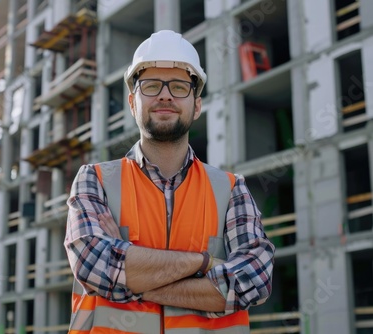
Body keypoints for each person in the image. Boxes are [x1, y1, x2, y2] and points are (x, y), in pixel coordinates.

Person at [64, 30, 275, 333]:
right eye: (151, 86)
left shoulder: (231, 189)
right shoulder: (94, 180)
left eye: (178, 86)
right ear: (132, 102)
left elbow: (253, 282)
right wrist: (205, 264)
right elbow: (94, 266)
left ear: (197, 105)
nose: (165, 95)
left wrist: (129, 274)